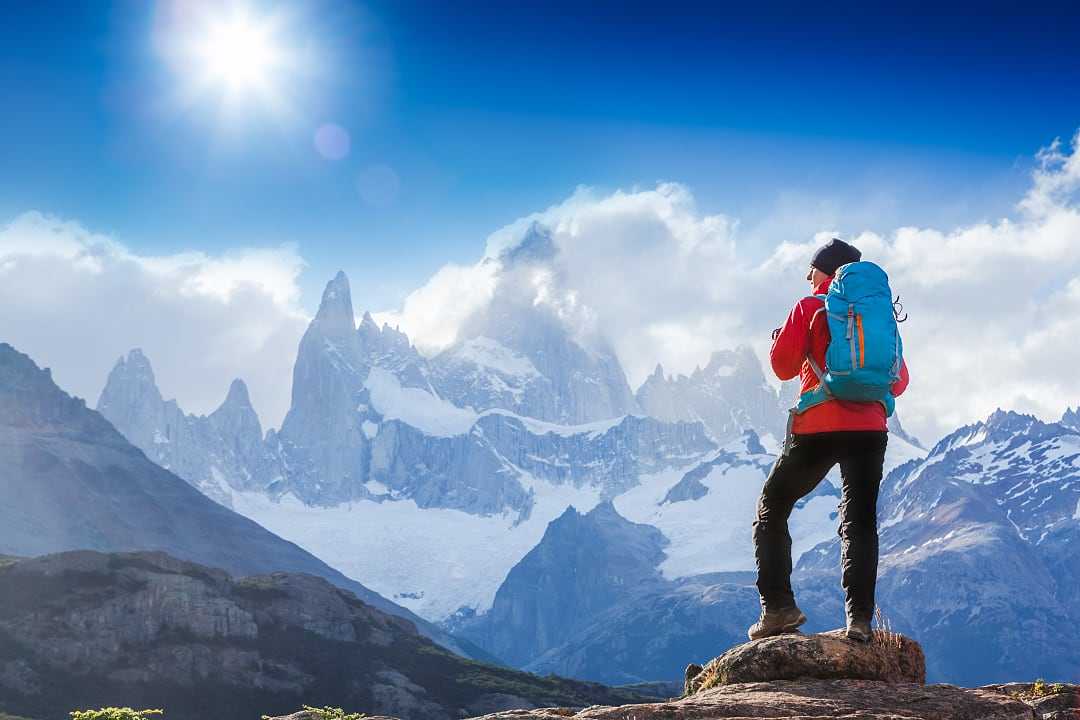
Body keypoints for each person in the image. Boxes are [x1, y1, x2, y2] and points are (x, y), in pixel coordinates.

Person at [749, 238, 910, 643]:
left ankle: (779, 609)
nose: (807, 276)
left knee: (773, 506)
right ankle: (860, 623)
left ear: (828, 271)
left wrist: (785, 340)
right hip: (870, 429)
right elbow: (900, 381)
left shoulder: (809, 307)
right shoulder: (879, 315)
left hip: (817, 426)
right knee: (859, 521)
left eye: (813, 268)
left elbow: (782, 368)